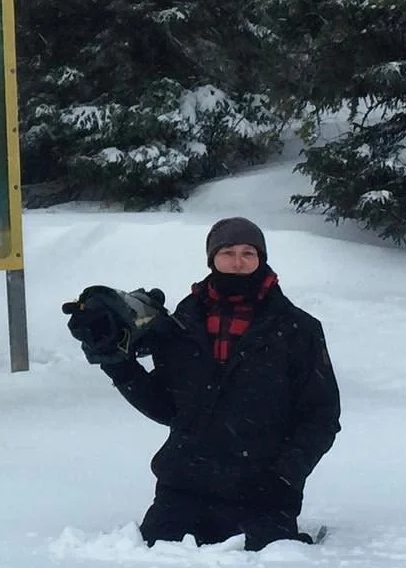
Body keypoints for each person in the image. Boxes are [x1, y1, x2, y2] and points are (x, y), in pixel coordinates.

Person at [63, 216, 341, 551]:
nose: (238, 262)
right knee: (157, 556)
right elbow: (168, 407)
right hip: (185, 487)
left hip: (262, 491)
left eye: (248, 253)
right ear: (212, 259)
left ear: (261, 259)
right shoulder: (185, 321)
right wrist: (118, 364)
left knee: (264, 564)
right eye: (227, 252)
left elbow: (321, 415)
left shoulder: (298, 329)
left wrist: (285, 476)